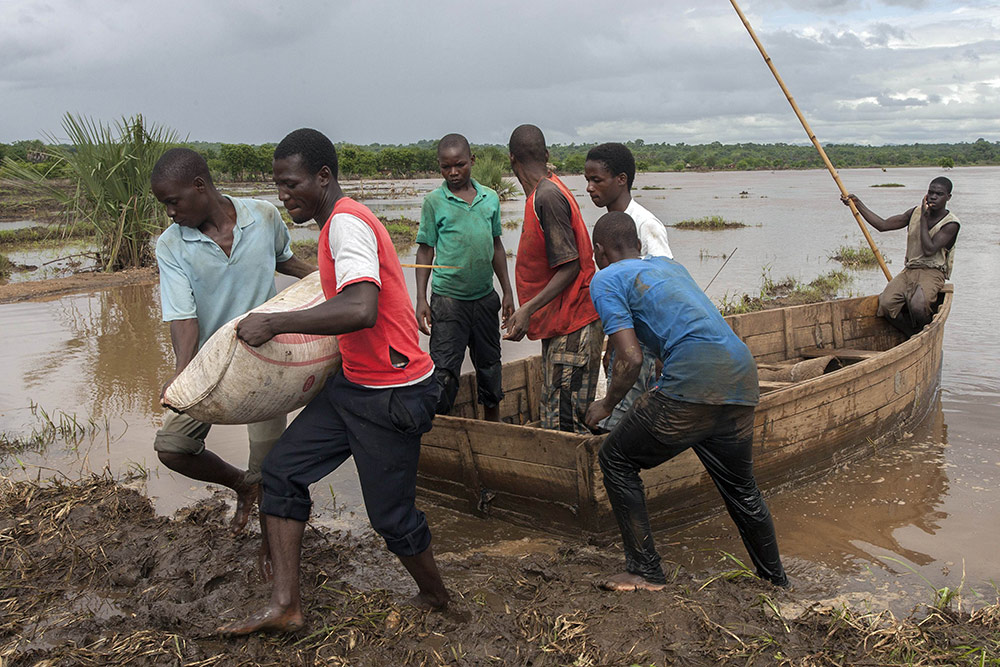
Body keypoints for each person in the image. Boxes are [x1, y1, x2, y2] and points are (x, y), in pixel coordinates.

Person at [219, 129, 449, 635]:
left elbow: (361, 308)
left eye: (291, 183)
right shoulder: (335, 226)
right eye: (277, 185)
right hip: (354, 384)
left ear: (324, 177)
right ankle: (286, 606)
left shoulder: (346, 224)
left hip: (393, 391)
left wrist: (275, 323)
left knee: (390, 517)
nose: (283, 195)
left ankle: (436, 598)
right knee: (281, 472)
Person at [584, 211, 787, 592]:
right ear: (638, 244)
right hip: (741, 374)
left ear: (599, 250)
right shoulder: (668, 266)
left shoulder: (606, 278)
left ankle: (645, 571)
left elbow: (629, 358)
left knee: (615, 458)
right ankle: (776, 580)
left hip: (695, 379)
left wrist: (606, 405)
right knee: (742, 490)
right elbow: (675, 325)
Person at [151, 148, 315, 535]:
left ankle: (269, 545)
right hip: (209, 363)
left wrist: (332, 275)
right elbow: (184, 319)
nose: (170, 213)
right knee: (173, 447)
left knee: (269, 465)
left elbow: (284, 261)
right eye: (165, 205)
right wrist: (181, 376)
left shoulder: (263, 216)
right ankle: (241, 484)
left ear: (199, 186)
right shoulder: (171, 245)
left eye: (173, 202)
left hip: (265, 360)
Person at [504, 124, 603, 434]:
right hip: (563, 323)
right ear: (546, 155)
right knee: (558, 416)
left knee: (564, 425)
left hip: (574, 323)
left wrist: (527, 309)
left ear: (512, 160)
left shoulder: (546, 196)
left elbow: (570, 266)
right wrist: (530, 312)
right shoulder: (547, 190)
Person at [415, 133, 514, 420]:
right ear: (439, 167)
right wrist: (421, 298)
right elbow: (425, 251)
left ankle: (493, 429)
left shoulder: (490, 199)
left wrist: (507, 291)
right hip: (448, 302)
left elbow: (496, 246)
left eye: (459, 165)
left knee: (490, 368)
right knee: (443, 374)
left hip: (485, 299)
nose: (453, 172)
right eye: (446, 167)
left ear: (472, 161)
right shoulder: (434, 202)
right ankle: (441, 433)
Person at [583, 142, 671, 431]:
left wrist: (660, 354)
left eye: (596, 180)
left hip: (644, 345)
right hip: (628, 340)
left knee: (624, 419)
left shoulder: (645, 225)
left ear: (621, 180)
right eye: (587, 180)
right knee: (627, 417)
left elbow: (664, 289)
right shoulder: (611, 225)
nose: (589, 188)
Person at [841, 177, 959, 336]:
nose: (933, 197)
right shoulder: (915, 212)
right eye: (930, 192)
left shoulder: (951, 223)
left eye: (939, 194)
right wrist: (857, 204)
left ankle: (926, 332)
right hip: (910, 269)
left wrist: (924, 218)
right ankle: (912, 333)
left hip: (933, 271)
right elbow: (883, 225)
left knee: (918, 305)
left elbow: (929, 249)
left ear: (948, 197)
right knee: (886, 304)